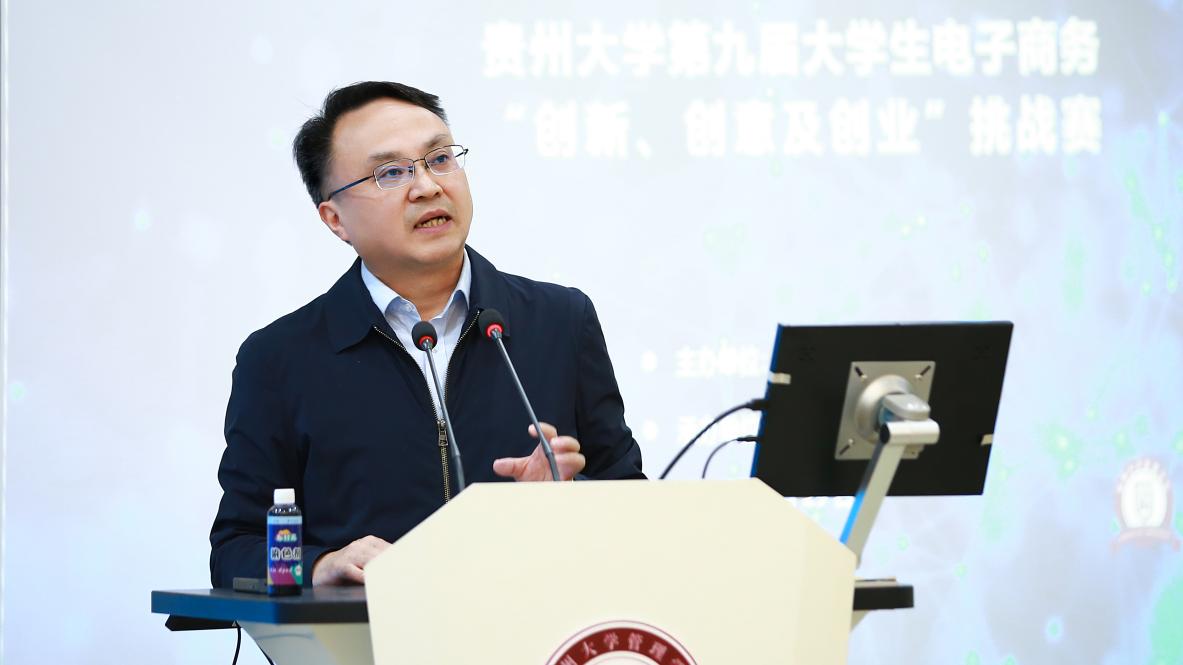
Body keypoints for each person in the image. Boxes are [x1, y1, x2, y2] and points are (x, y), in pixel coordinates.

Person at [209, 81, 645, 588]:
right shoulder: (279, 359)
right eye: (391, 172)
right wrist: (320, 564)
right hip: (367, 632)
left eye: (439, 159)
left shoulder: (560, 321)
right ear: (335, 219)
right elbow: (236, 550)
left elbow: (633, 506)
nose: (427, 187)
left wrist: (566, 501)